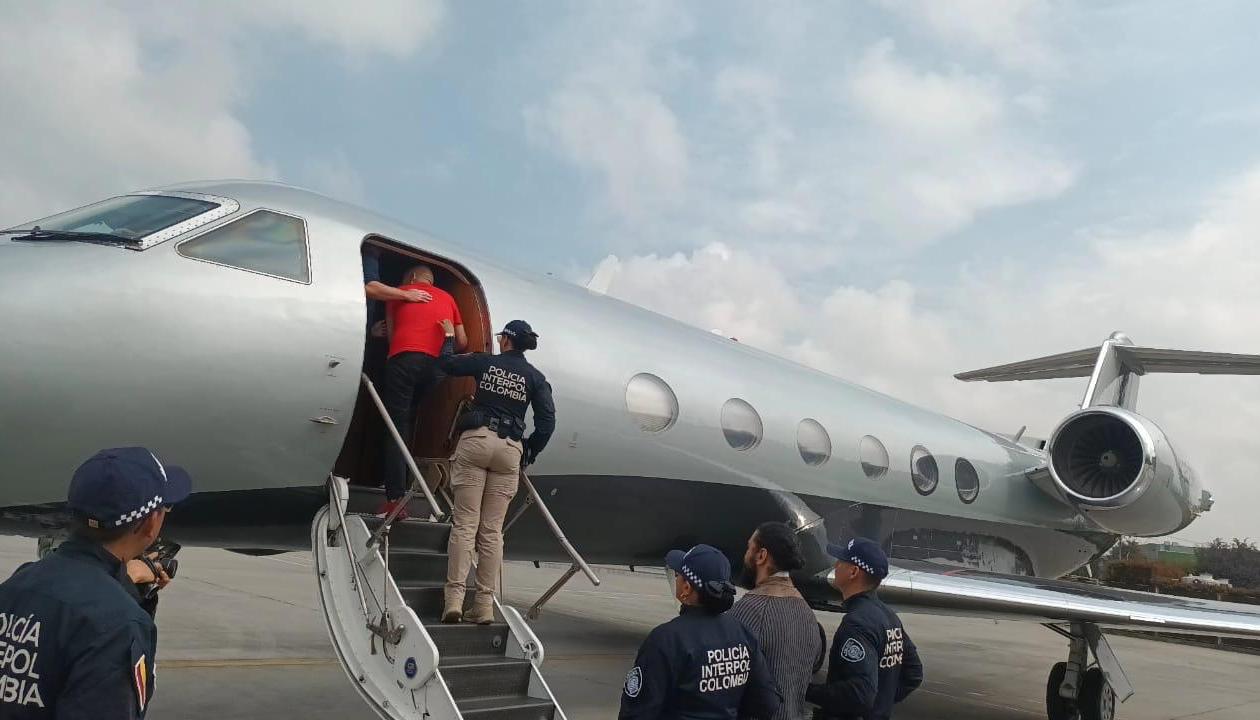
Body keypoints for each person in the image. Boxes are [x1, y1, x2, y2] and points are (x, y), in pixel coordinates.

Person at [0, 447, 192, 719]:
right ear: (151, 523)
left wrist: (125, 585)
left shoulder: (19, 583)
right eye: (165, 507)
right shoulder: (117, 624)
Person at [437, 320, 554, 623]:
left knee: (465, 525)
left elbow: (447, 364)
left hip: (476, 440)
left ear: (505, 341)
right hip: (509, 451)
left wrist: (449, 336)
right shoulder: (536, 378)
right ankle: (484, 606)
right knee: (491, 532)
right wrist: (530, 450)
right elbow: (547, 422)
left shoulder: (485, 363)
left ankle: (454, 599)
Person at [619, 543, 782, 719]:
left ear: (687, 588)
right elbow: (767, 703)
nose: (676, 580)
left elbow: (638, 712)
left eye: (678, 576)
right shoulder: (742, 633)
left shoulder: (666, 639)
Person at [377, 264, 466, 518]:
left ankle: (395, 498)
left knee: (396, 425)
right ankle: (407, 483)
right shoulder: (449, 299)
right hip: (436, 366)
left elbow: (393, 337)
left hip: (405, 360)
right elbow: (462, 341)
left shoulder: (400, 292)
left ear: (412, 277)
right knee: (411, 419)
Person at [807, 538, 923, 720]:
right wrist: (879, 705)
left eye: (841, 561)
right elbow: (913, 674)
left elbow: (860, 693)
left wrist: (807, 691)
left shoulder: (856, 624)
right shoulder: (889, 616)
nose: (836, 565)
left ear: (853, 572)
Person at [730, 522, 826, 720]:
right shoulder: (807, 614)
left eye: (749, 548)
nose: (745, 554)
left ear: (762, 556)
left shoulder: (748, 611)